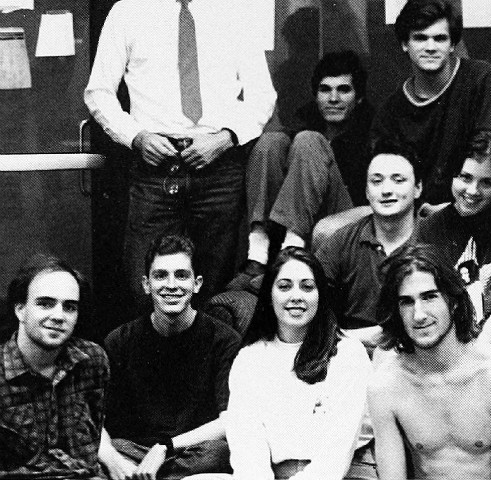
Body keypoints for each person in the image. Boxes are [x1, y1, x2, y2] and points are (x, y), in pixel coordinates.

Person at [83, 0, 276, 315]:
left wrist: (223, 140)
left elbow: (262, 95)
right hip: (155, 168)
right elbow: (99, 92)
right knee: (147, 285)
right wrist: (136, 137)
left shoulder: (234, 12)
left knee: (215, 288)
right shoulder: (127, 13)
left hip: (218, 168)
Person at [368, 244, 491, 479]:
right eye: (406, 302)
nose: (419, 315)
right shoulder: (386, 385)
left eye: (429, 297)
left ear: (453, 301)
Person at [225, 247, 374, 480]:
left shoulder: (348, 354)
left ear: (320, 295)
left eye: (307, 287)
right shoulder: (249, 359)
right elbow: (248, 451)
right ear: (269, 295)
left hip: (347, 471)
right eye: (284, 286)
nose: (296, 296)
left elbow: (336, 454)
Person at [99, 234, 240, 480]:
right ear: (146, 284)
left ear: (197, 284)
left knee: (222, 452)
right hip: (135, 453)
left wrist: (165, 447)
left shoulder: (224, 340)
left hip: (190, 451)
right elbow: (95, 417)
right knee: (105, 452)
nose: (171, 285)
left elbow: (229, 421)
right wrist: (114, 460)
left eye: (181, 275)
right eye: (161, 275)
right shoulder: (119, 341)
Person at [241, 50, 373, 279]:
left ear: (358, 97)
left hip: (343, 225)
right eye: (325, 90)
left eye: (344, 90)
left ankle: (292, 250)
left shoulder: (370, 138)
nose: (333, 99)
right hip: (288, 227)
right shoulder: (300, 133)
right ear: (316, 95)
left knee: (309, 140)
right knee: (271, 140)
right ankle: (258, 248)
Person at [370, 0, 491, 205]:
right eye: (420, 38)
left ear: (452, 44)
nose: (430, 47)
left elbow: (489, 159)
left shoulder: (480, 79)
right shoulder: (391, 110)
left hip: (471, 204)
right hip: (412, 214)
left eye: (440, 38)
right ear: (404, 44)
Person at [415, 129, 491, 348]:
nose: (472, 190)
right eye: (465, 177)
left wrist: (471, 368)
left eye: (486, 183)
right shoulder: (430, 229)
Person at [0, 254, 109, 479]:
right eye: (45, 304)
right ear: (20, 309)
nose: (59, 316)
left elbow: (94, 439)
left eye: (69, 307)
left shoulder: (92, 360)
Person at [312, 138, 422, 353]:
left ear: (418, 188)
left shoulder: (433, 238)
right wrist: (352, 339)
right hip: (350, 355)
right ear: (366, 191)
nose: (386, 190)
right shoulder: (341, 241)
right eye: (377, 181)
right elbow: (311, 309)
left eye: (398, 180)